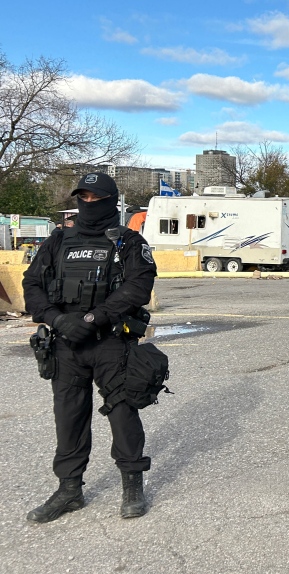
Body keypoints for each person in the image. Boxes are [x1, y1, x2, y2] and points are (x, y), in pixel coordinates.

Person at [21, 172, 158, 522]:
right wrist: (56, 319)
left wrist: (93, 319)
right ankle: (69, 490)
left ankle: (132, 487)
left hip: (109, 341)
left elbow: (137, 287)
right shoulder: (57, 240)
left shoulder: (128, 241)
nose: (88, 203)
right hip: (65, 343)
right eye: (83, 196)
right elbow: (32, 283)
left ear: (111, 201)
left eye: (96, 198)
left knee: (122, 411)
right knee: (68, 417)